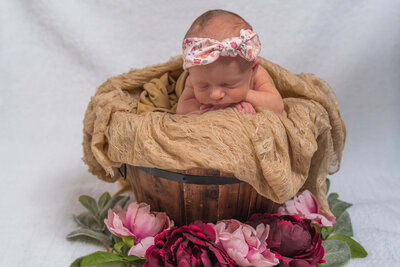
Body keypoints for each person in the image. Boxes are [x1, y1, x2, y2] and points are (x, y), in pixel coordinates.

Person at [176, 9, 284, 115]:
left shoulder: (257, 74)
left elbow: (277, 106)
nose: (215, 95)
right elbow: (182, 110)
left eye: (228, 85)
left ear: (252, 70)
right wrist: (200, 113)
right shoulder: (196, 76)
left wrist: (245, 95)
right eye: (203, 86)